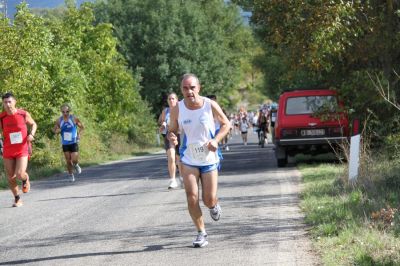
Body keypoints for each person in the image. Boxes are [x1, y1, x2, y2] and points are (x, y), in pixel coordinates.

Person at [168, 74, 230, 248]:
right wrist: (172, 136)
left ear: (199, 88)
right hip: (188, 158)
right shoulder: (177, 109)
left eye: (192, 87)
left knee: (208, 199)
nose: (189, 92)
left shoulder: (209, 105)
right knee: (191, 196)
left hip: (209, 158)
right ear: (182, 90)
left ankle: (213, 205)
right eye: (185, 88)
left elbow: (226, 124)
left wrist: (216, 140)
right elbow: (172, 130)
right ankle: (201, 233)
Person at [0, 92, 37, 207]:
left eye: (10, 101)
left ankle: (25, 179)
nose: (8, 104)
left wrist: (32, 134)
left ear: (15, 102)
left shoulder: (23, 114)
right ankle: (17, 198)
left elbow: (34, 124)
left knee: (20, 174)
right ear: (3, 104)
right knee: (10, 177)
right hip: (8, 149)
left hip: (22, 148)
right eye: (5, 102)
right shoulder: (2, 117)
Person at [53, 104, 84, 182]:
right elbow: (54, 130)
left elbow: (82, 127)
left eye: (67, 111)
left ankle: (76, 165)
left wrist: (79, 134)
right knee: (68, 160)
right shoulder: (59, 120)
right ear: (61, 112)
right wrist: (57, 131)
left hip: (73, 141)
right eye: (63, 112)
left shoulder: (73, 118)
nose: (65, 113)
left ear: (69, 111)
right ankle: (71, 175)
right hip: (65, 143)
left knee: (74, 159)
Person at [158, 92, 183, 189]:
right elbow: (163, 121)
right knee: (171, 157)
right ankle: (172, 180)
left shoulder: (181, 110)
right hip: (169, 136)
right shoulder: (166, 111)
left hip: (180, 135)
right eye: (169, 99)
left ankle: (182, 177)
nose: (171, 100)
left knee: (179, 158)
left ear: (177, 100)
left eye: (173, 98)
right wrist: (163, 125)